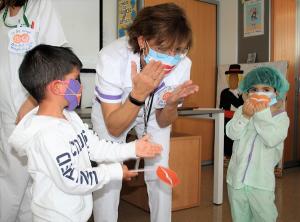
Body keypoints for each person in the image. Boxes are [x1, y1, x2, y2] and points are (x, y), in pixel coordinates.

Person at [8, 44, 162, 221]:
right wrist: (113, 172)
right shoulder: (46, 136)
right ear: (57, 87)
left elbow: (95, 147)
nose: (80, 87)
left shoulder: (69, 117)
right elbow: (73, 180)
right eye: (76, 80)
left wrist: (133, 149)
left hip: (75, 214)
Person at [91, 3, 199, 222]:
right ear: (142, 41)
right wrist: (138, 95)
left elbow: (162, 120)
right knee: (110, 169)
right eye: (164, 49)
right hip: (116, 110)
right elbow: (114, 126)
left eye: (178, 50)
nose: (172, 57)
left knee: (160, 168)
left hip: (151, 110)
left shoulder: (182, 63)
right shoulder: (112, 58)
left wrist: (171, 106)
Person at [0, 0, 67, 221]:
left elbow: (55, 57)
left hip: (30, 108)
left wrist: (30, 102)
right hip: (5, 110)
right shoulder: (2, 14)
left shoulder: (41, 7)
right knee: (18, 183)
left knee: (20, 183)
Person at [226, 66, 290, 222]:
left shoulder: (281, 117)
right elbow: (231, 133)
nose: (259, 93)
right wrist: (245, 117)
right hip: (236, 180)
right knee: (239, 217)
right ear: (247, 92)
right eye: (254, 89)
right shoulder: (242, 110)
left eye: (266, 88)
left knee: (265, 217)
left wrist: (261, 115)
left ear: (276, 92)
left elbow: (272, 139)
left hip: (260, 182)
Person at [219, 64, 244, 165]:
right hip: (226, 118)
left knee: (236, 139)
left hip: (238, 119)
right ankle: (225, 157)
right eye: (231, 78)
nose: (233, 80)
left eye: (235, 78)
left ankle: (235, 158)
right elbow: (238, 104)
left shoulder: (241, 93)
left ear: (239, 79)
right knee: (226, 139)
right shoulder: (225, 92)